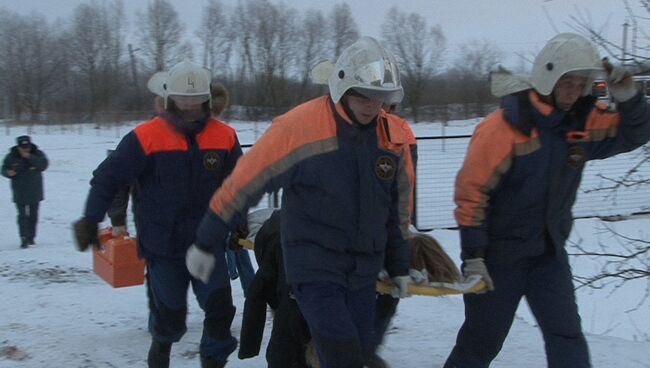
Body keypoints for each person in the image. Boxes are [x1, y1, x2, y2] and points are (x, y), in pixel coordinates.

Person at [185, 36, 416, 368]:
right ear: (342, 88)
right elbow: (242, 183)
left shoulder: (391, 137)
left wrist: (399, 264)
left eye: (380, 98)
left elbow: (398, 207)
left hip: (364, 267)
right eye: (364, 96)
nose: (372, 105)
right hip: (314, 263)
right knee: (343, 352)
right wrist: (206, 241)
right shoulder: (301, 127)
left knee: (360, 351)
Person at [444, 32, 650, 368]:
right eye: (568, 82)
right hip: (499, 259)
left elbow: (635, 133)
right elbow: (471, 194)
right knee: (480, 343)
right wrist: (474, 256)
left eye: (581, 83)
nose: (574, 91)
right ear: (548, 77)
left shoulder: (580, 124)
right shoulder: (503, 128)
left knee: (566, 335)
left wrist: (629, 96)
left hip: (548, 256)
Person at [73, 59, 243, 368]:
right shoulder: (145, 137)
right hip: (163, 247)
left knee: (219, 310)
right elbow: (108, 177)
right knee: (171, 317)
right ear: (169, 100)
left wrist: (239, 222)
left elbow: (238, 184)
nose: (189, 107)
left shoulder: (225, 136)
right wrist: (90, 217)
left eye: (196, 101)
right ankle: (161, 348)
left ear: (207, 100)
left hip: (208, 244)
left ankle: (213, 361)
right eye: (182, 100)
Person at [210, 81, 256, 296]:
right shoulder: (226, 134)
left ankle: (251, 292)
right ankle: (254, 292)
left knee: (231, 250)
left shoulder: (224, 134)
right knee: (236, 249)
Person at [2, 135, 49, 248]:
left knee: (33, 216)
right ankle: (23, 237)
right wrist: (8, 173)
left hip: (35, 190)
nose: (25, 150)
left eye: (27, 147)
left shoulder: (37, 153)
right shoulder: (11, 156)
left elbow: (43, 165)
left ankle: (31, 237)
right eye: (23, 148)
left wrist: (30, 157)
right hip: (19, 191)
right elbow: (3, 168)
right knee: (22, 216)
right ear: (18, 147)